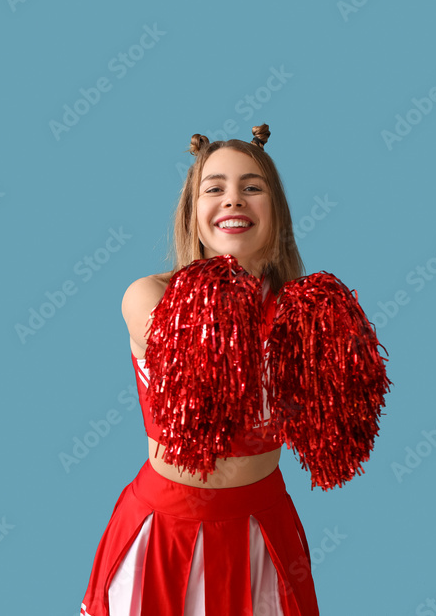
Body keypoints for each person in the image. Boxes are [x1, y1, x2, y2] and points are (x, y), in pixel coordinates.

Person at [80, 124, 355, 616]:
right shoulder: (149, 295)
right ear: (192, 211)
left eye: (253, 187)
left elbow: (335, 422)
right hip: (165, 530)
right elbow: (207, 356)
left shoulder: (307, 309)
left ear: (277, 211)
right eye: (215, 188)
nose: (234, 200)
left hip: (263, 528)